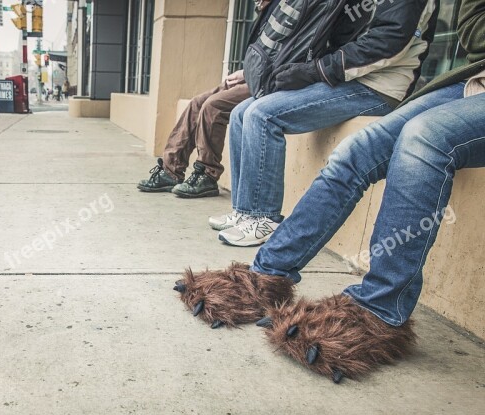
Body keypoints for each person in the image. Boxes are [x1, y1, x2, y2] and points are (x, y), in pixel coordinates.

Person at [176, 0, 485, 384]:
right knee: (357, 149)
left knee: (425, 139)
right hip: (473, 81)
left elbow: (389, 38)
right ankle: (267, 275)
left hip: (383, 84)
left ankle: (380, 309)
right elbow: (473, 30)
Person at [214, 0, 440, 246]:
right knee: (241, 112)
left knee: (262, 114)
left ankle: (263, 218)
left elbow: (387, 44)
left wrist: (316, 70)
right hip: (345, 80)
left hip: (379, 87)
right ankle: (244, 210)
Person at [137, 0, 274, 199]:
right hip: (255, 76)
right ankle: (171, 171)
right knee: (197, 103)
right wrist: (245, 73)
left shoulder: (288, 11)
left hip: (270, 82)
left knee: (213, 106)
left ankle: (208, 176)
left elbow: (286, 57)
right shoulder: (266, 11)